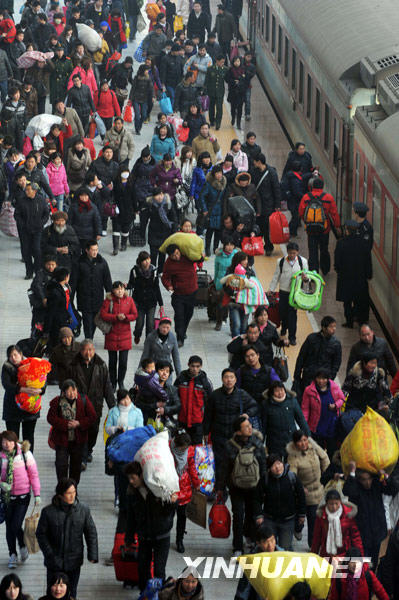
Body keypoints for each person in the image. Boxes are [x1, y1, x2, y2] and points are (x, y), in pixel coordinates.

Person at [36, 478, 98, 599]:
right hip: (54, 561)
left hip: (74, 561)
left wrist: (93, 555)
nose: (72, 496)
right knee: (54, 591)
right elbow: (41, 534)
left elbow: (91, 532)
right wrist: (49, 554)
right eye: (68, 493)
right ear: (60, 494)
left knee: (71, 591)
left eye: (74, 492)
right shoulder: (48, 512)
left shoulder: (83, 510)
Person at [216, 416, 267, 556]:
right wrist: (220, 488)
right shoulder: (230, 445)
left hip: (254, 487)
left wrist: (264, 487)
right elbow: (224, 468)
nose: (250, 428)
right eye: (246, 426)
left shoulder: (257, 443)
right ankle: (237, 546)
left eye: (250, 425)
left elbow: (263, 466)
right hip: (236, 487)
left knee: (252, 514)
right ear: (238, 431)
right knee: (238, 516)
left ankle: (250, 539)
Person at [125, 461, 177, 592]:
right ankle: (145, 593)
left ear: (141, 475)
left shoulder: (157, 489)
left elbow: (168, 511)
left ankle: (159, 594)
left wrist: (172, 503)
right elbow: (130, 518)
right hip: (144, 536)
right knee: (143, 568)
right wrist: (128, 539)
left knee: (159, 570)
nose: (131, 481)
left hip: (162, 535)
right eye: (129, 478)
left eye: (133, 477)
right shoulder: (132, 494)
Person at [203, 368, 258, 483]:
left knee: (235, 463)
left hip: (235, 438)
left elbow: (254, 406)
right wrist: (205, 433)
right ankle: (220, 491)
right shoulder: (215, 396)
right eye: (226, 377)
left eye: (231, 377)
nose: (229, 380)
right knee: (219, 464)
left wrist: (247, 414)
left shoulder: (241, 394)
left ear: (235, 380)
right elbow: (208, 415)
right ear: (222, 379)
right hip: (218, 436)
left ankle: (235, 485)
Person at [343, 462, 398, 569]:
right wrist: (352, 473)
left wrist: (385, 476)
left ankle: (370, 580)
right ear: (359, 480)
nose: (367, 482)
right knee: (363, 561)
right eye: (364, 479)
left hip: (377, 531)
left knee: (374, 560)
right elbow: (348, 491)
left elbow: (393, 489)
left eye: (369, 479)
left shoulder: (376, 485)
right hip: (361, 532)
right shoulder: (355, 488)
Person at [68, 340, 115, 466]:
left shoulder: (101, 365)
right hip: (79, 405)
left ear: (94, 350)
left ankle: (89, 450)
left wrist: (113, 406)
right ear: (81, 350)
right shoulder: (73, 364)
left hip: (95, 404)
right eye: (85, 350)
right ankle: (82, 458)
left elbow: (107, 386)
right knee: (82, 430)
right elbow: (67, 385)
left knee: (93, 430)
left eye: (90, 350)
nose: (88, 353)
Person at [0, 430, 41, 569]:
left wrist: (37, 494)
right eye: (4, 442)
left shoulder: (25, 453)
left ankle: (22, 546)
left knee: (15, 525)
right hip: (7, 497)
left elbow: (33, 474)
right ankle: (13, 554)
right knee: (9, 527)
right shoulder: (1, 456)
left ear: (15, 441)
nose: (7, 444)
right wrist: (1, 483)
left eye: (10, 441)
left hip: (23, 496)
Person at [47, 379, 97, 485]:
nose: (72, 394)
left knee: (76, 466)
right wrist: (65, 424)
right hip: (62, 440)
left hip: (78, 440)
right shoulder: (57, 401)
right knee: (61, 466)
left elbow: (92, 416)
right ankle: (62, 488)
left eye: (74, 391)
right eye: (69, 391)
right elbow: (50, 418)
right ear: (64, 392)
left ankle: (73, 488)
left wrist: (79, 423)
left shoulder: (83, 400)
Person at [286, 430, 330, 547]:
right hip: (303, 493)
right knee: (300, 518)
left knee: (314, 521)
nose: (304, 443)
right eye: (300, 441)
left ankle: (312, 546)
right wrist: (300, 488)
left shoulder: (313, 448)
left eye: (305, 440)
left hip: (317, 490)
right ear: (295, 443)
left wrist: (326, 475)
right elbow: (292, 476)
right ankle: (298, 529)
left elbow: (325, 458)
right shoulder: (293, 456)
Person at [254, 453, 306, 551]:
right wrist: (259, 515)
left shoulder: (292, 477)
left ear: (282, 463)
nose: (277, 467)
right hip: (270, 519)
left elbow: (301, 497)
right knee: (269, 547)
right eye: (273, 465)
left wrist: (302, 514)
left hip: (288, 520)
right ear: (269, 468)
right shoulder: (265, 479)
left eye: (279, 463)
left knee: (285, 547)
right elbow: (257, 499)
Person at [100, 281, 138, 390]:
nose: (120, 291)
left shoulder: (129, 300)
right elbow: (103, 315)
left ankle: (121, 382)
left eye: (122, 288)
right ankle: (113, 382)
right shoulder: (108, 300)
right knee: (112, 362)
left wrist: (126, 317)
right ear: (113, 290)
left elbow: (135, 314)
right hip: (111, 335)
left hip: (125, 336)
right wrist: (115, 317)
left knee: (123, 362)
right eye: (117, 289)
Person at [268, 242, 309, 345]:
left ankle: (292, 337)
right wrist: (271, 289)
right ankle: (283, 328)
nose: (292, 255)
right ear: (287, 252)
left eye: (294, 253)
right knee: (282, 312)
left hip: (295, 294)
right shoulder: (281, 261)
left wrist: (306, 279)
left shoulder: (302, 262)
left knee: (292, 314)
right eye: (290, 253)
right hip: (283, 292)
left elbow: (307, 278)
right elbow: (276, 276)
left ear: (297, 252)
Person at [298, 177, 341, 275]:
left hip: (310, 230)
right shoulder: (328, 198)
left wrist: (307, 222)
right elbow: (334, 214)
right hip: (324, 230)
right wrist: (337, 226)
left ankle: (314, 272)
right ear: (322, 186)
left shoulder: (306, 197)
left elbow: (301, 212)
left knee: (312, 251)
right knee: (324, 249)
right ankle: (325, 269)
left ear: (312, 186)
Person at [334, 220, 372, 328]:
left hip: (345, 277)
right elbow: (368, 261)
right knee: (359, 299)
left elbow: (337, 261)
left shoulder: (341, 243)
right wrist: (368, 274)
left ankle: (349, 321)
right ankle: (361, 320)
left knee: (347, 301)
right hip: (360, 277)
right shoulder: (363, 244)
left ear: (347, 230)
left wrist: (338, 270)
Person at [293, 316, 342, 400]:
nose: (334, 329)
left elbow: (336, 363)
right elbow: (302, 356)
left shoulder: (336, 344)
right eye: (331, 327)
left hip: (323, 379)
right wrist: (297, 376)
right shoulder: (311, 339)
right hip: (308, 376)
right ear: (323, 327)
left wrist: (330, 378)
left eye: (334, 326)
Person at [301, 368, 345, 459]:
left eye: (324, 378)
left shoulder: (334, 386)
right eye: (319, 378)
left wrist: (335, 405)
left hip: (332, 426)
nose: (321, 381)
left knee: (332, 453)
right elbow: (305, 409)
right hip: (317, 428)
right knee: (318, 454)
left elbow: (342, 399)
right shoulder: (309, 390)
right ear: (315, 378)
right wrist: (304, 425)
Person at [161, 244, 198, 347]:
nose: (177, 256)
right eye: (173, 255)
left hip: (192, 291)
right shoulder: (168, 264)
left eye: (177, 253)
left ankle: (183, 331)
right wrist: (168, 286)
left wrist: (201, 256)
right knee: (179, 316)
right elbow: (165, 277)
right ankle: (180, 337)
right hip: (178, 294)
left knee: (189, 314)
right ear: (169, 256)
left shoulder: (187, 256)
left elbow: (199, 258)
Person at [170, 429, 201, 553]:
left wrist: (196, 483)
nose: (184, 450)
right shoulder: (168, 450)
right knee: (168, 515)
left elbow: (192, 467)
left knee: (182, 517)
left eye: (186, 448)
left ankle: (179, 540)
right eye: (183, 448)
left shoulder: (189, 452)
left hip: (184, 486)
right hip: (171, 486)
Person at [311, 488, 364, 558]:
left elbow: (356, 537)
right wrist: (312, 556)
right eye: (331, 504)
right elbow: (316, 538)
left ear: (340, 502)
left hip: (344, 554)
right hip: (326, 554)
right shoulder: (322, 516)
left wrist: (361, 557)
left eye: (336, 503)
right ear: (326, 503)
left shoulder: (348, 514)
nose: (334, 507)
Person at [262, 381, 310, 458]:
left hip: (291, 439)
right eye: (277, 391)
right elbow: (263, 425)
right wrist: (261, 441)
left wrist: (308, 435)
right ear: (272, 392)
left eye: (281, 390)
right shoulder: (266, 404)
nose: (280, 393)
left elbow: (301, 419)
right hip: (274, 441)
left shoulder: (292, 401)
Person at [75, 240, 112, 339]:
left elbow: (107, 281)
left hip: (97, 298)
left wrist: (110, 297)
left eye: (96, 249)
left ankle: (89, 338)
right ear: (87, 250)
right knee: (87, 321)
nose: (95, 252)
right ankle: (89, 339)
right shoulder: (79, 263)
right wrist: (70, 299)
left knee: (95, 321)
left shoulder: (102, 262)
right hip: (84, 297)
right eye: (93, 250)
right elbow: (74, 282)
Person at [174, 355, 213, 444]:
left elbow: (210, 404)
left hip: (198, 423)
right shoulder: (181, 379)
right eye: (193, 366)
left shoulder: (205, 382)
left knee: (196, 450)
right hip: (182, 421)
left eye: (197, 366)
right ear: (188, 365)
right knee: (181, 447)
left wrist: (207, 425)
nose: (195, 369)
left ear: (201, 366)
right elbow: (174, 396)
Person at [14, 182, 50, 280]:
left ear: (34, 191)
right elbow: (17, 215)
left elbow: (46, 214)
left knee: (37, 250)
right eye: (26, 189)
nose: (26, 191)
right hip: (25, 230)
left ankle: (38, 271)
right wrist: (22, 224)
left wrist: (41, 223)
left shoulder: (41, 200)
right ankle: (29, 272)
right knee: (26, 251)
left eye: (28, 189)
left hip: (38, 230)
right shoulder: (21, 201)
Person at [127, 250, 164, 345]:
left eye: (148, 259)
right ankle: (137, 334)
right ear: (140, 261)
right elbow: (131, 283)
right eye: (144, 260)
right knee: (139, 323)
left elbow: (157, 288)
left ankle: (148, 342)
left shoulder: (154, 271)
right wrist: (126, 286)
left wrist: (161, 304)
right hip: (139, 302)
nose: (147, 262)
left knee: (150, 324)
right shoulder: (135, 271)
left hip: (151, 301)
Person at [141, 187, 178, 273]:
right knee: (153, 255)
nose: (160, 197)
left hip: (166, 232)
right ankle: (153, 270)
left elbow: (174, 218)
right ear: (153, 196)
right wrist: (142, 232)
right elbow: (144, 219)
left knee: (162, 255)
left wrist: (174, 230)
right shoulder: (150, 205)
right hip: (154, 232)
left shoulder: (168, 204)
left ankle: (160, 271)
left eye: (161, 194)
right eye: (157, 195)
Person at [43, 267, 80, 351]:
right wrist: (46, 330)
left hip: (61, 321)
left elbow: (62, 307)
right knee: (57, 348)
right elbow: (51, 312)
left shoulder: (61, 288)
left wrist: (68, 315)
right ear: (66, 277)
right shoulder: (55, 292)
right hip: (56, 325)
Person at [251, 153, 280, 255]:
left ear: (259, 162)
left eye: (254, 161)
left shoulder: (271, 172)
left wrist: (277, 205)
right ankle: (258, 246)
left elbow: (276, 189)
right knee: (258, 225)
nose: (253, 163)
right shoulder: (254, 172)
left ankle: (268, 247)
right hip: (257, 204)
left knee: (267, 226)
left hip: (268, 204)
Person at [237, 346, 280, 412]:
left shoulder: (269, 371)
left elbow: (278, 386)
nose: (250, 358)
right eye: (247, 356)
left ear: (258, 355)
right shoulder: (241, 371)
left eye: (252, 355)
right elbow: (237, 390)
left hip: (265, 407)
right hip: (247, 408)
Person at [41, 211, 80, 279]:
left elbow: (76, 245)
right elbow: (42, 246)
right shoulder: (47, 231)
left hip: (66, 261)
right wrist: (56, 249)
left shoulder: (70, 230)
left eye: (62, 221)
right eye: (58, 221)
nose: (60, 223)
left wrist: (68, 250)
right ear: (53, 221)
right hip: (51, 262)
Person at [198, 164, 226, 256]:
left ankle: (215, 248)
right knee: (209, 231)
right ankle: (207, 248)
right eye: (217, 173)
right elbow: (202, 197)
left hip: (220, 211)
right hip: (211, 211)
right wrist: (204, 209)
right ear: (214, 174)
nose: (219, 175)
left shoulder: (224, 183)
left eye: (220, 173)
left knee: (218, 231)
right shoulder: (209, 184)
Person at [213, 238, 238, 330]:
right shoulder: (219, 256)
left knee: (231, 305)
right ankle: (218, 321)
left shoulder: (236, 255)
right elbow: (216, 270)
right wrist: (215, 282)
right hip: (220, 282)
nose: (229, 247)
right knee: (220, 304)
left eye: (232, 244)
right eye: (227, 244)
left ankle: (231, 325)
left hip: (232, 283)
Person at [28, 255, 58, 331]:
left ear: (56, 265)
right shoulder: (40, 274)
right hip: (40, 305)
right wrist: (43, 298)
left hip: (52, 305)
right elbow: (37, 286)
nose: (50, 267)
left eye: (52, 265)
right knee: (37, 324)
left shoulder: (58, 275)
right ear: (45, 264)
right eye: (48, 264)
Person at [129, 65, 153, 135]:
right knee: (137, 115)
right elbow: (133, 88)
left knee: (144, 115)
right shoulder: (137, 78)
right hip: (136, 98)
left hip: (144, 99)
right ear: (143, 70)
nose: (147, 71)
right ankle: (137, 129)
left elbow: (151, 88)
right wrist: (130, 98)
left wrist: (152, 96)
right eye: (146, 70)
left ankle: (139, 126)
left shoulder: (149, 78)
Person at [225, 57, 246, 130]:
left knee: (240, 108)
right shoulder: (230, 70)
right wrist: (234, 82)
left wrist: (240, 81)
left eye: (238, 61)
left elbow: (246, 80)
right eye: (235, 61)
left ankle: (238, 123)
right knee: (233, 107)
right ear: (233, 62)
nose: (237, 63)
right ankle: (233, 117)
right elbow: (227, 79)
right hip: (233, 91)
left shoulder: (243, 70)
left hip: (241, 92)